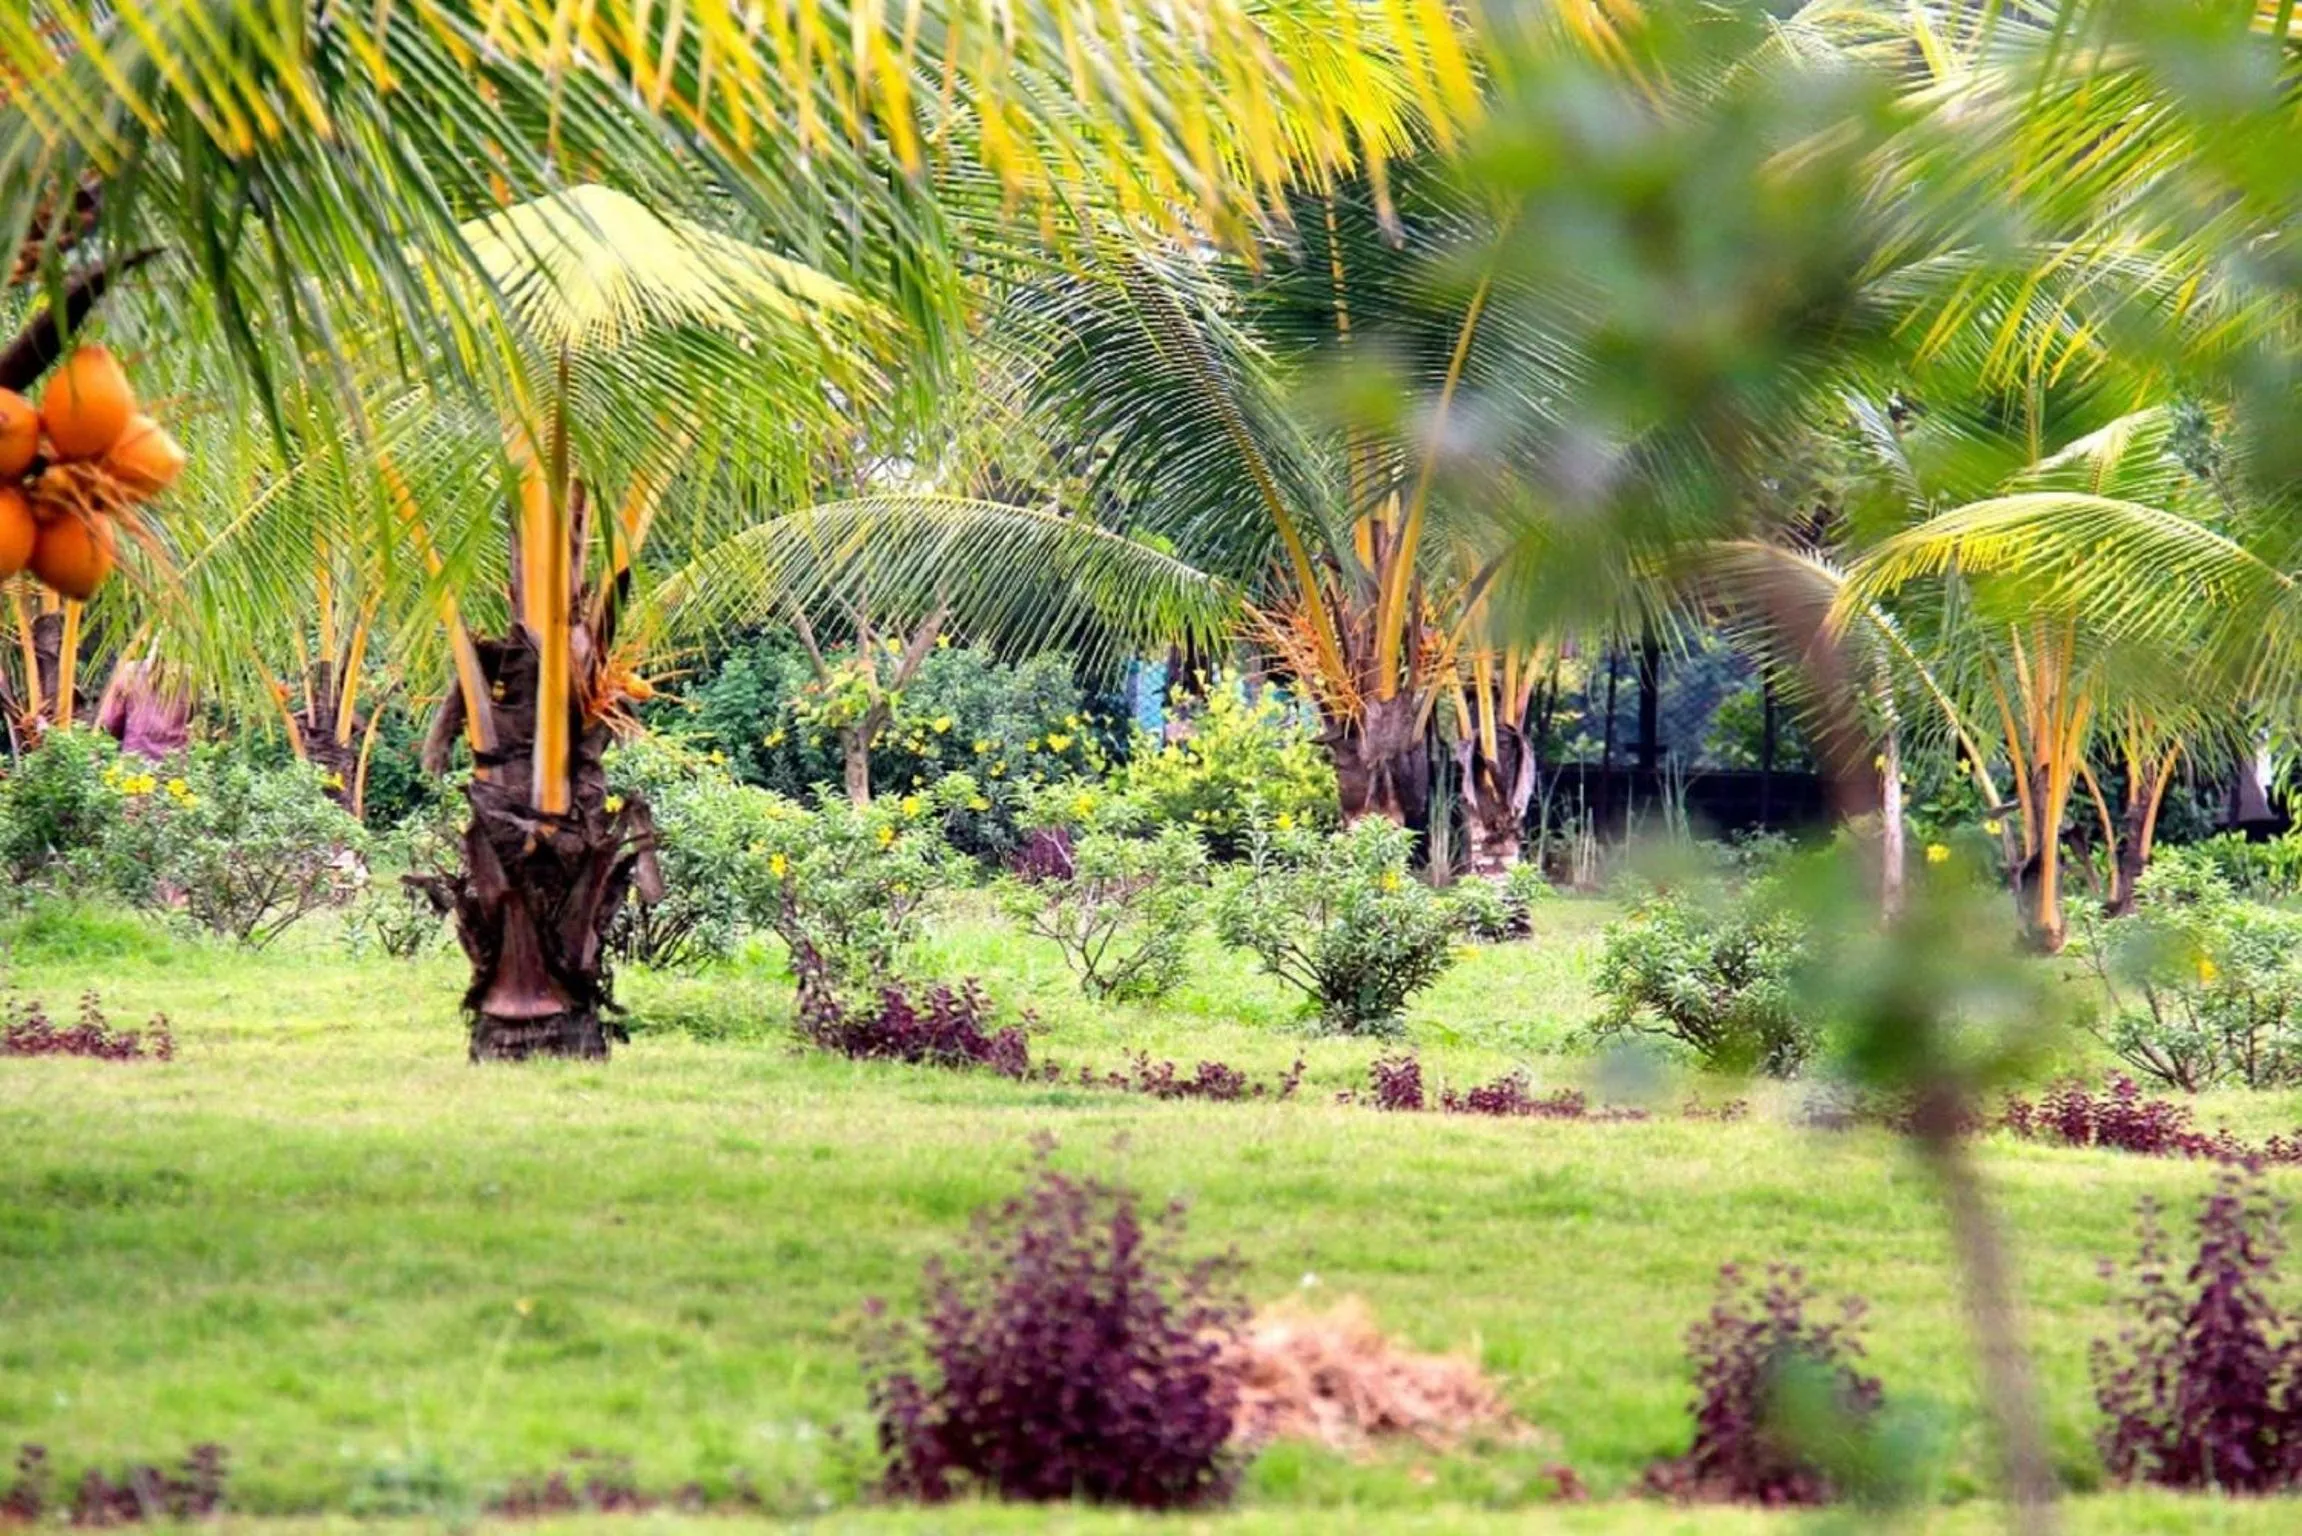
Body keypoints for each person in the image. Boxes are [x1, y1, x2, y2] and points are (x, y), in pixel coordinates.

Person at [94, 657, 191, 761]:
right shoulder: (190, 677)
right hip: (173, 766)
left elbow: (110, 721)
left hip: (134, 763)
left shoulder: (131, 672)